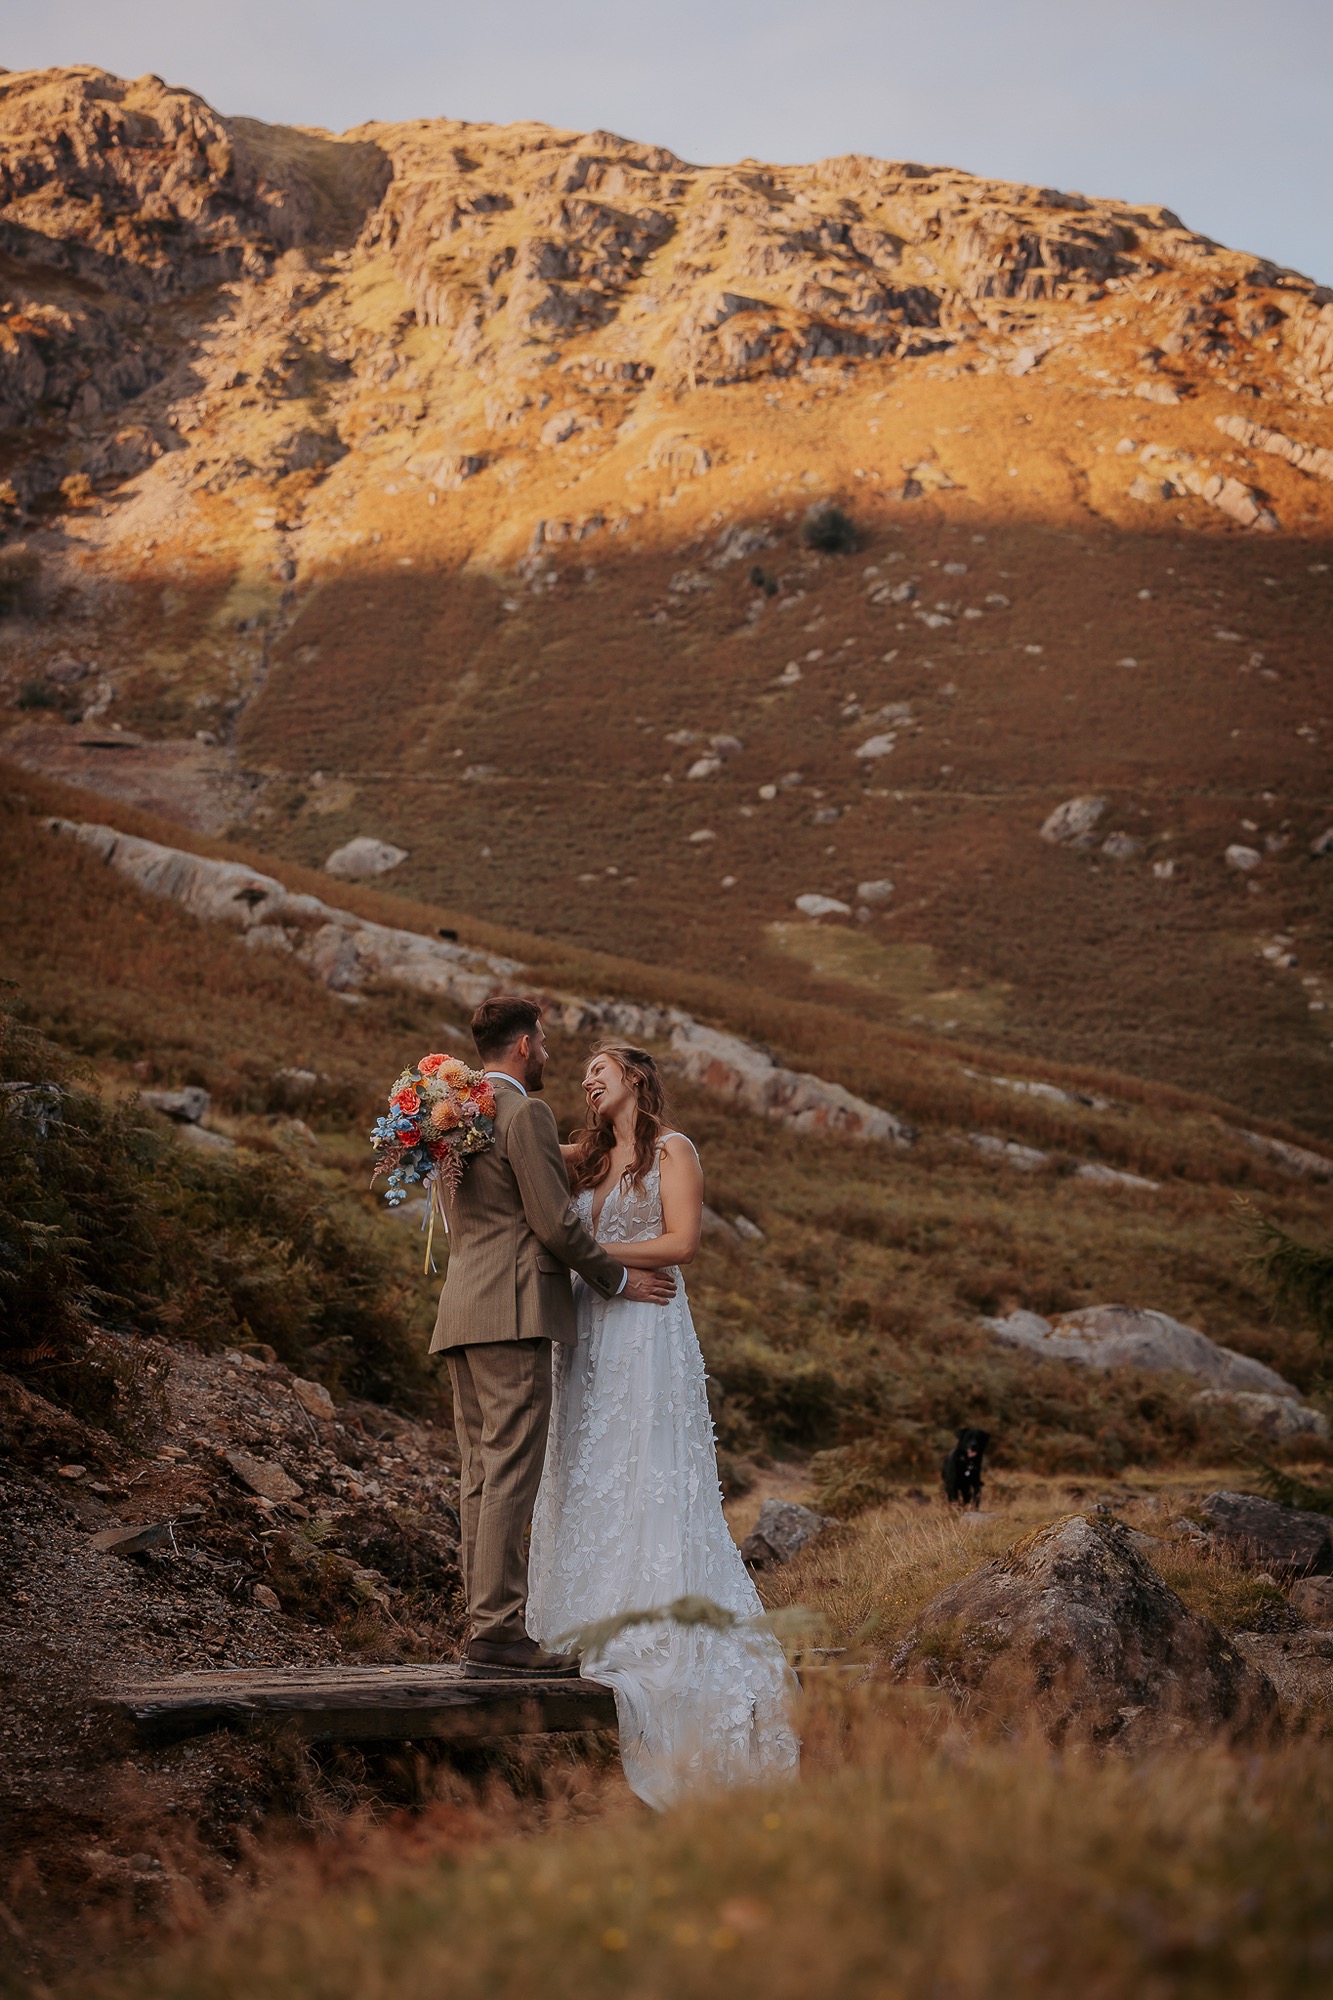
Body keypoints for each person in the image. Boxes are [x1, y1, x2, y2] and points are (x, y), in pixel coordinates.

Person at [528, 1040, 799, 1808]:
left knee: (642, 1464)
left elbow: (682, 1244)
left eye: (598, 1070)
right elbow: (528, 1189)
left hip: (645, 1326)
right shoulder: (578, 1156)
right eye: (580, 1071)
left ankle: (655, 1617)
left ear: (636, 1080)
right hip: (587, 1328)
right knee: (584, 1460)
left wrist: (589, 1253)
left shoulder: (673, 1149)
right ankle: (581, 1616)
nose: (585, 1079)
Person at [430, 997, 675, 1679]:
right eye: (541, 1042)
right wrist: (619, 1281)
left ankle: (486, 1627)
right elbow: (553, 1225)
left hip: (461, 1312)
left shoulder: (458, 1116)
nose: (546, 1055)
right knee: (509, 1471)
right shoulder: (522, 1112)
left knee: (480, 1474)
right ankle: (501, 1633)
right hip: (513, 1310)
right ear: (521, 1047)